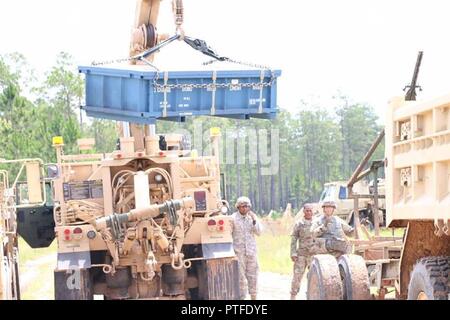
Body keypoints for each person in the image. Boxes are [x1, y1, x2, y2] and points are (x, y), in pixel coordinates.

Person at [230, 196, 262, 300]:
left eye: (247, 206)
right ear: (238, 207)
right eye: (242, 206)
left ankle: (253, 297)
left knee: (253, 276)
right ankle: (241, 298)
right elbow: (229, 234)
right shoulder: (233, 218)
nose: (245, 208)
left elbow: (259, 232)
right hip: (239, 253)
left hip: (251, 252)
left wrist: (254, 220)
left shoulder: (252, 218)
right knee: (240, 278)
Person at [290, 203, 320, 300]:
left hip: (313, 255)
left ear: (313, 212)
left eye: (310, 210)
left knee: (314, 277)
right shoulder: (299, 224)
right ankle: (293, 296)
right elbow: (294, 239)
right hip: (301, 255)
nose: (309, 212)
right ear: (303, 211)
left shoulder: (317, 223)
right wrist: (293, 253)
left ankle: (312, 296)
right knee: (297, 277)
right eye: (307, 210)